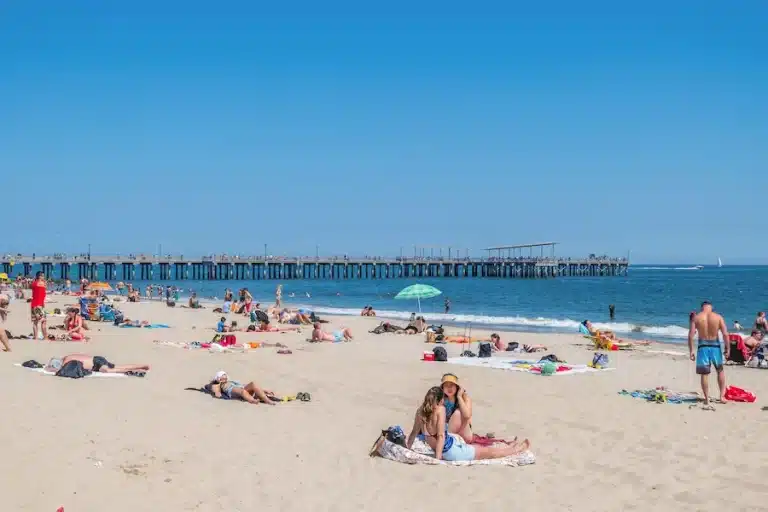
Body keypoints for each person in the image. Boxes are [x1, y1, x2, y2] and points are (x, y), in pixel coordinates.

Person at [405, 386, 529, 462]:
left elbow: (414, 433)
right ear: (440, 399)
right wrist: (438, 459)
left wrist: (407, 449)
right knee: (489, 452)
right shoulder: (440, 410)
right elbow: (441, 436)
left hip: (450, 447)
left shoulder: (420, 411)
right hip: (451, 451)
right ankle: (516, 449)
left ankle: (510, 447)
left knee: (483, 449)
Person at [688, 301, 729, 408]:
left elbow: (691, 335)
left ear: (702, 308)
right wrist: (727, 348)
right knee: (720, 371)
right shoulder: (718, 317)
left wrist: (691, 350)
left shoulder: (696, 318)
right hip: (715, 346)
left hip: (703, 347)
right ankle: (721, 396)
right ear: (711, 307)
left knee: (704, 374)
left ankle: (707, 399)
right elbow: (725, 334)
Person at [439, 374, 473, 443]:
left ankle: (447, 441)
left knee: (458, 413)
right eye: (446, 386)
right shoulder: (442, 399)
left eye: (452, 385)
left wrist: (459, 397)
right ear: (442, 388)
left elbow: (467, 416)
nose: (449, 388)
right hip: (447, 430)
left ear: (457, 387)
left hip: (463, 432)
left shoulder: (465, 398)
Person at [209, 371, 276, 405]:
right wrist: (217, 392)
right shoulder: (217, 384)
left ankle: (266, 399)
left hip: (241, 388)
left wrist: (264, 390)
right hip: (231, 390)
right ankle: (253, 401)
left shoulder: (230, 381)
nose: (224, 377)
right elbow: (216, 391)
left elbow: (243, 385)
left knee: (253, 383)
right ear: (218, 378)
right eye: (222, 376)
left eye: (225, 376)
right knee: (242, 391)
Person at [51, 353, 150, 374]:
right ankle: (141, 366)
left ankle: (133, 370)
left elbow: (62, 371)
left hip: (96, 362)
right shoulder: (68, 357)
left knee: (107, 370)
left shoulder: (67, 361)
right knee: (118, 366)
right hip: (97, 361)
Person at [30, 271, 48, 341]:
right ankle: (45, 337)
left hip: (33, 304)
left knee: (35, 322)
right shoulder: (42, 283)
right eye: (43, 276)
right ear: (40, 276)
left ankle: (35, 337)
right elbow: (45, 287)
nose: (44, 277)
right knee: (43, 321)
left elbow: (32, 287)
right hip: (39, 305)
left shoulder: (34, 283)